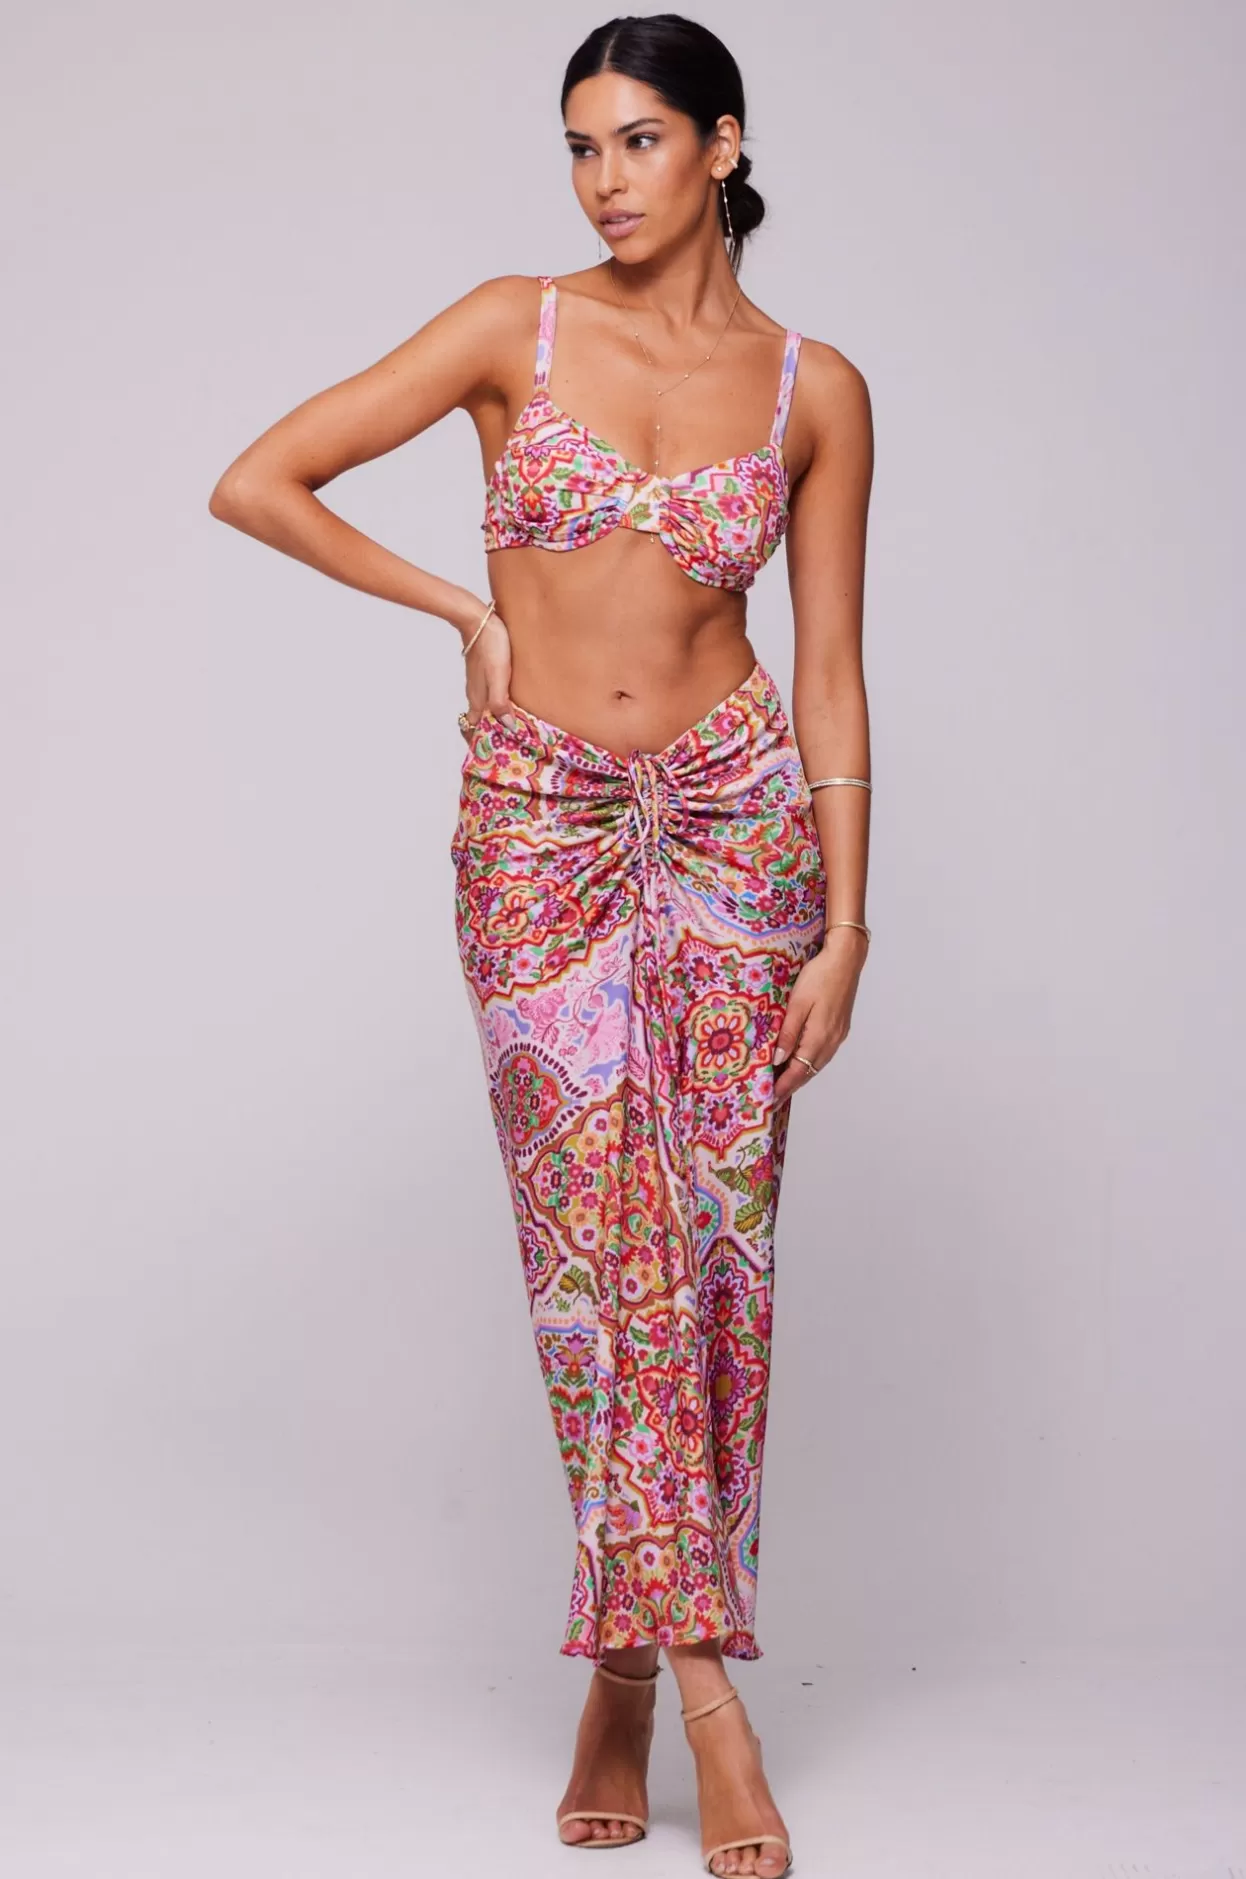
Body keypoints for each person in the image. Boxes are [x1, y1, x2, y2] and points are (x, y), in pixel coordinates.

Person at [209, 13, 873, 1875]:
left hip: (739, 829)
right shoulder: (519, 326)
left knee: (716, 1259)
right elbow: (259, 478)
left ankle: (625, 1678)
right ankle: (715, 1704)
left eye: (639, 140)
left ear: (723, 145)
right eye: (580, 146)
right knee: (598, 1259)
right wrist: (460, 613)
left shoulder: (814, 386)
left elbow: (828, 666)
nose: (603, 180)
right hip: (541, 831)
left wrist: (847, 923)